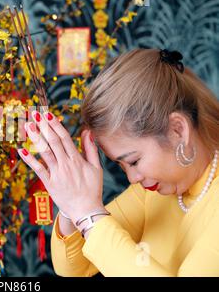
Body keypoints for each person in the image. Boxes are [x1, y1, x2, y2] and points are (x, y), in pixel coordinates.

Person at [18, 48, 219, 276]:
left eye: (133, 161)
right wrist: (71, 203)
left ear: (177, 130)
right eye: (121, 166)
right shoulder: (152, 193)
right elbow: (73, 267)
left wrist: (87, 212)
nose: (132, 178)